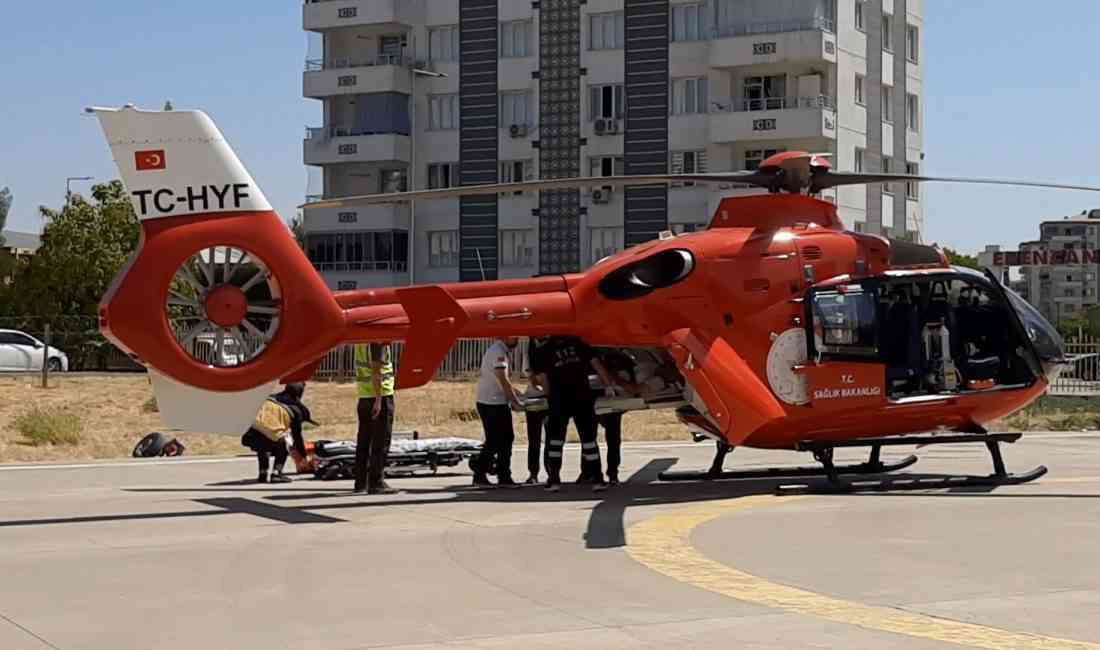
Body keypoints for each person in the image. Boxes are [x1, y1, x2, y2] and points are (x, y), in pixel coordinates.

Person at [532, 336, 616, 492]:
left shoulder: (542, 350)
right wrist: (608, 386)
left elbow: (542, 379)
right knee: (589, 440)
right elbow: (597, 365)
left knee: (555, 441)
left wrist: (548, 396)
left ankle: (554, 479)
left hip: (558, 398)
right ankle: (597, 479)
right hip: (582, 397)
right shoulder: (578, 343)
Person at [241, 382, 316, 484]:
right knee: (284, 441)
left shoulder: (269, 398)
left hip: (250, 434)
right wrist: (303, 456)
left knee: (265, 440)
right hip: (267, 437)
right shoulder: (296, 410)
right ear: (300, 394)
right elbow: (297, 437)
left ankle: (263, 473)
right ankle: (277, 473)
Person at [472, 337, 522, 488]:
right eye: (514, 336)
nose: (517, 339)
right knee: (498, 440)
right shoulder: (498, 352)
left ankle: (502, 475)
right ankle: (483, 475)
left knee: (502, 440)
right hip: (492, 403)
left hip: (493, 401)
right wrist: (514, 400)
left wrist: (516, 394)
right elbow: (502, 378)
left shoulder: (500, 350)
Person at [354, 342, 398, 495]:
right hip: (380, 395)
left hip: (364, 395)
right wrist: (379, 400)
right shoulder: (378, 340)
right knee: (380, 441)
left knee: (364, 441)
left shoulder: (361, 341)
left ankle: (361, 482)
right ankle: (376, 481)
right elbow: (376, 370)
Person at [593, 348, 642, 486]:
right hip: (600, 401)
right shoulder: (622, 359)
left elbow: (634, 387)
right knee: (594, 439)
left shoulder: (623, 360)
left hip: (613, 404)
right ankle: (596, 472)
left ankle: (611, 472)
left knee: (610, 440)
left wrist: (613, 378)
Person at [522, 336, 552, 484]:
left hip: (549, 398)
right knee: (534, 439)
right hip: (535, 398)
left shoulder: (551, 349)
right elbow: (531, 378)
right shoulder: (529, 353)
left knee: (550, 439)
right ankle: (533, 473)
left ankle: (551, 472)